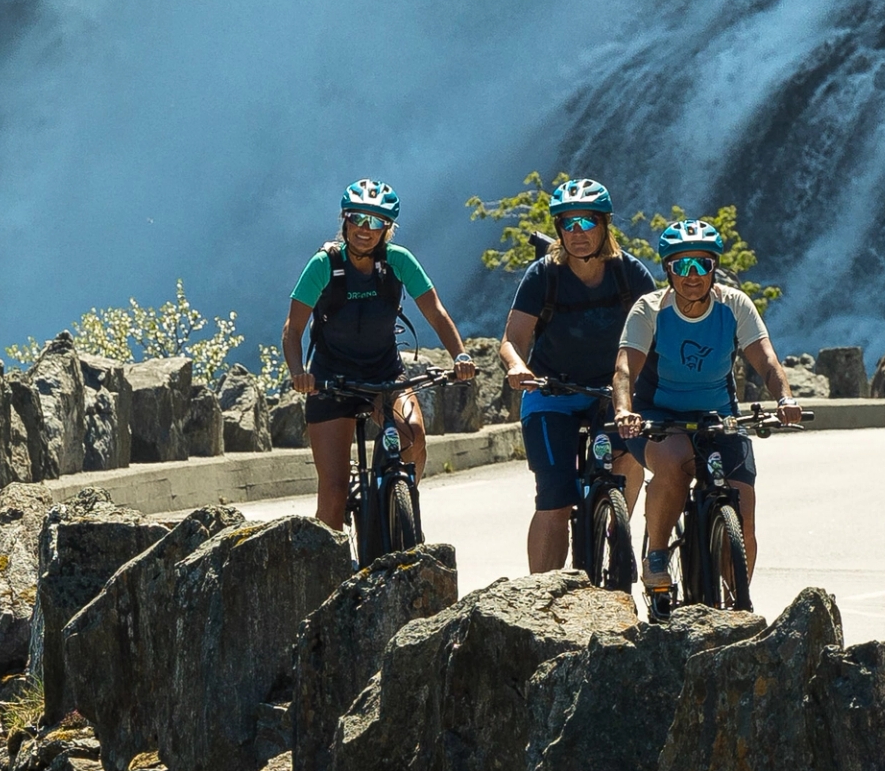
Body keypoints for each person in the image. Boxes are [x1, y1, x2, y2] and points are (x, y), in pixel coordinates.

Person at [610, 218, 803, 619]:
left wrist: (783, 397)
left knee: (743, 505)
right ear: (668, 270)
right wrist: (625, 410)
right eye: (682, 266)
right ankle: (658, 556)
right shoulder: (649, 309)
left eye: (701, 265)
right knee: (675, 463)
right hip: (657, 416)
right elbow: (626, 368)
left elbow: (765, 359)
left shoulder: (734, 306)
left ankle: (738, 603)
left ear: (714, 268)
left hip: (718, 416)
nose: (692, 275)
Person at [279, 178, 468, 534]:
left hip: (384, 375)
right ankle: (332, 574)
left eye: (376, 222)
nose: (366, 230)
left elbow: (436, 313)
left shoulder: (398, 261)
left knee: (413, 435)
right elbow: (293, 328)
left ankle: (397, 497)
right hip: (330, 381)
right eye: (358, 219)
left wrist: (460, 355)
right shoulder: (323, 264)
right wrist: (298, 371)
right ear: (345, 221)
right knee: (333, 495)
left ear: (388, 229)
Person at [497, 178, 660, 575]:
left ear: (604, 225)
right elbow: (512, 339)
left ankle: (613, 529)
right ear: (558, 229)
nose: (578, 232)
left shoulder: (629, 273)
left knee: (631, 460)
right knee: (554, 501)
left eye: (587, 222)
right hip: (553, 393)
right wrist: (518, 367)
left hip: (613, 393)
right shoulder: (544, 275)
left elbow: (659, 334)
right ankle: (538, 598)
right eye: (568, 223)